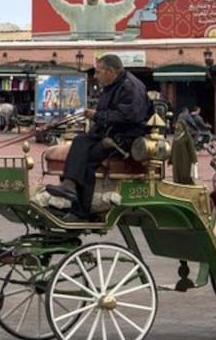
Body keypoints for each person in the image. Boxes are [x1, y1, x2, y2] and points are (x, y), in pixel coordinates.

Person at [45, 54, 151, 222]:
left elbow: (130, 117)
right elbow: (105, 116)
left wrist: (97, 115)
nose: (95, 76)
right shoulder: (113, 85)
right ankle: (69, 185)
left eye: (98, 72)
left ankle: (81, 210)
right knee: (80, 141)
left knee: (89, 158)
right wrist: (94, 124)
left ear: (110, 72)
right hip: (110, 133)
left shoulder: (131, 87)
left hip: (126, 138)